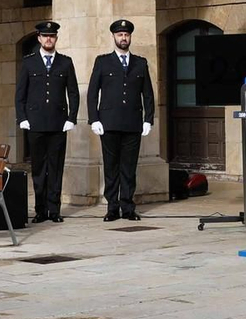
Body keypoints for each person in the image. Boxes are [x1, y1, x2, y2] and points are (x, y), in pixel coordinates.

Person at [88, 18, 155, 222]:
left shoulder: (140, 63)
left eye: (126, 35)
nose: (123, 38)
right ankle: (112, 207)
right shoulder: (102, 61)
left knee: (128, 168)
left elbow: (148, 94)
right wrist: (94, 119)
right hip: (108, 123)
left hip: (133, 123)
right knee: (111, 167)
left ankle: (127, 207)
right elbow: (92, 93)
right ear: (114, 37)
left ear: (130, 37)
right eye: (120, 35)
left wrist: (148, 120)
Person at [15, 21, 79, 223]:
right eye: (45, 36)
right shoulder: (29, 62)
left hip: (58, 123)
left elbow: (74, 93)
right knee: (39, 169)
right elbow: (20, 95)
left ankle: (55, 210)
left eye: (52, 36)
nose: (48, 39)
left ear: (56, 39)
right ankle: (40, 210)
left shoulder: (65, 63)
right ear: (39, 38)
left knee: (56, 168)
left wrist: (71, 118)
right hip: (35, 124)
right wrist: (22, 118)